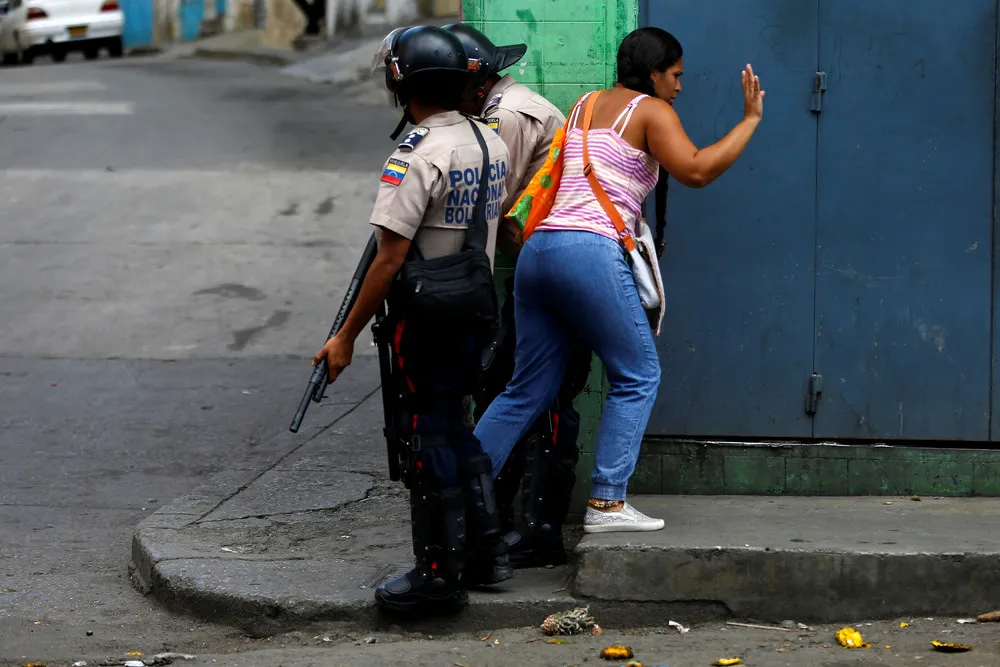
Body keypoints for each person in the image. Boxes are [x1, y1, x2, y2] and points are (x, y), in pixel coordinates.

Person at [472, 27, 765, 533]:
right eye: (675, 75)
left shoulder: (587, 102)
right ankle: (607, 502)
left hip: (539, 252)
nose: (680, 86)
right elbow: (694, 170)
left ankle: (460, 492)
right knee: (638, 374)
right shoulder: (651, 111)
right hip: (589, 250)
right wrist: (751, 120)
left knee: (525, 388)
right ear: (654, 73)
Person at [312, 24, 513, 613]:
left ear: (406, 85)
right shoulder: (486, 141)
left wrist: (343, 336)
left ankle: (438, 575)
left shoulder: (416, 155)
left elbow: (389, 257)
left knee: (426, 435)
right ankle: (486, 554)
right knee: (455, 426)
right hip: (476, 306)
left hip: (428, 318)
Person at [443, 23, 591, 568]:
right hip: (544, 265)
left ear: (472, 82)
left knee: (545, 394)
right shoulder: (497, 107)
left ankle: (537, 527)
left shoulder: (504, 117)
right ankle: (502, 518)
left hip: (555, 265)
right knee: (517, 387)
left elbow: (485, 208)